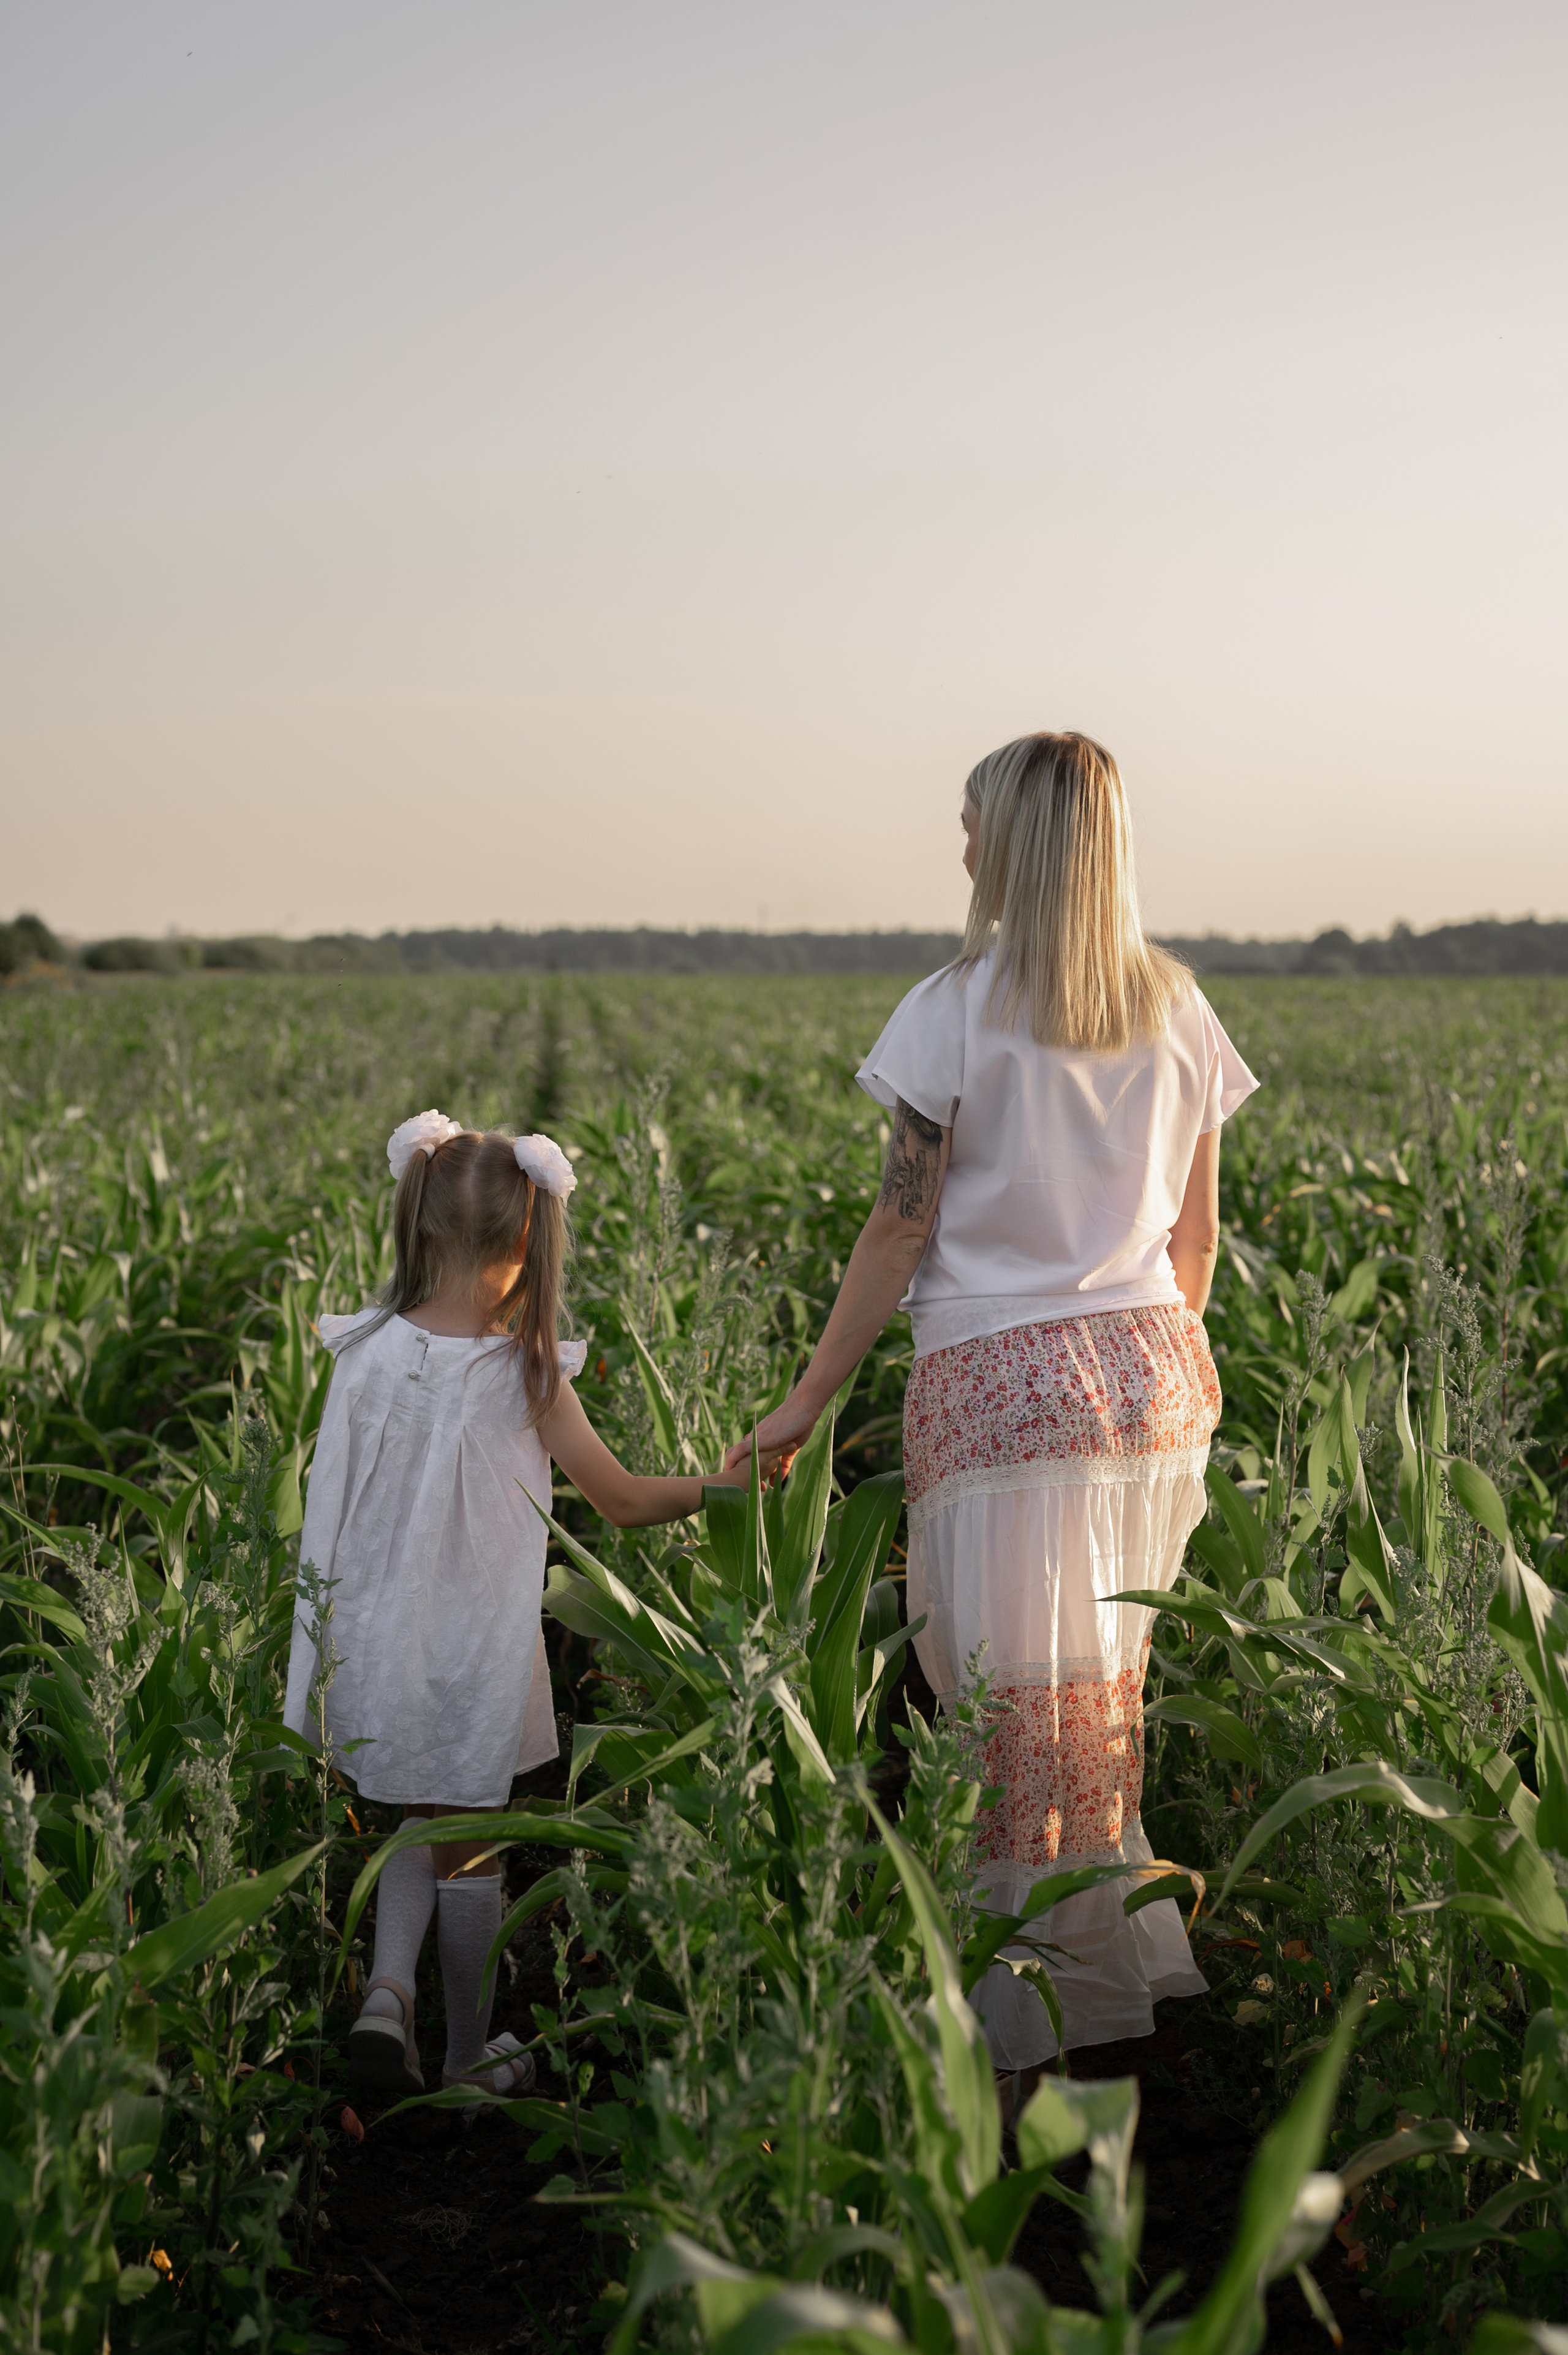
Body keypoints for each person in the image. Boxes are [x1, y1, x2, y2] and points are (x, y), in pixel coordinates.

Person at [729, 731, 1257, 2078]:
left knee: (996, 1704)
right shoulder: (1179, 1009)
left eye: (969, 822)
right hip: (1149, 1377)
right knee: (1098, 1695)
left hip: (1001, 1380)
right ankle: (1113, 1969)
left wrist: (804, 1400)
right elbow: (1194, 1247)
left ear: (1012, 844)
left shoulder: (951, 1008)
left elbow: (897, 1233)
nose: (958, 843)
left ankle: (1023, 2016)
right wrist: (1127, 1379)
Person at [285, 1113, 774, 2101]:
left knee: (418, 1817)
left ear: (420, 1226)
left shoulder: (364, 1350)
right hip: (470, 1654)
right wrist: (731, 1485)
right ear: (526, 1246)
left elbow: (332, 1500)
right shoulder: (527, 1373)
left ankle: (388, 1992)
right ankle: (468, 2056)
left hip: (372, 1640)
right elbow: (623, 1501)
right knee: (472, 1852)